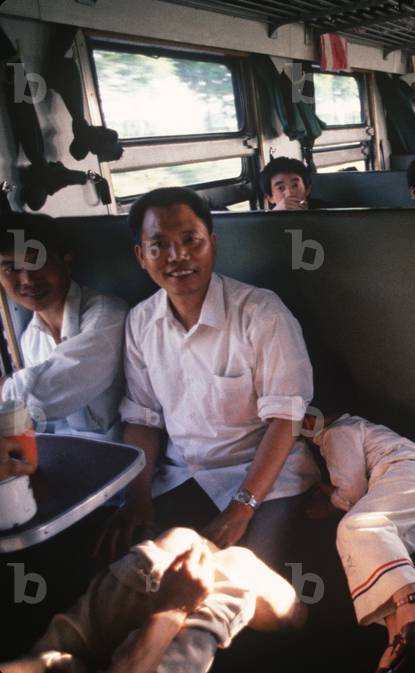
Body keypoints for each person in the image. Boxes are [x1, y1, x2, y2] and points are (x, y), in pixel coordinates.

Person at [99, 187, 321, 570]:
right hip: (183, 474)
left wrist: (241, 509)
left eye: (190, 240)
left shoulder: (261, 313)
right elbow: (142, 419)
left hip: (267, 481)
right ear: (141, 256)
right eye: (160, 245)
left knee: (235, 581)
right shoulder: (140, 322)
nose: (178, 256)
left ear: (213, 244)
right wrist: (137, 498)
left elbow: (286, 420)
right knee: (131, 571)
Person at [1, 527, 306, 673]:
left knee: (181, 538)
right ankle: (301, 622)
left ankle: (295, 615)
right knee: (236, 567)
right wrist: (173, 609)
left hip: (55, 663)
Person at [312, 414, 415, 673]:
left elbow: (352, 493)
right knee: (369, 553)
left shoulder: (338, 431)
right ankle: (402, 638)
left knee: (355, 527)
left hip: (413, 478)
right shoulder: (354, 429)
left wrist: (327, 500)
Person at [0, 213, 127, 439]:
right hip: (71, 449)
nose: (27, 279)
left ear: (66, 263)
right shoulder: (30, 338)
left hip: (126, 448)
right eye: (11, 268)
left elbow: (44, 394)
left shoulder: (108, 317)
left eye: (37, 262)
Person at [259, 156, 330, 211]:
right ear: (270, 198)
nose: (289, 194)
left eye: (295, 185)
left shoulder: (329, 212)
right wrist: (276, 216)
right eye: (280, 188)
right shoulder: (263, 222)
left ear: (307, 189)